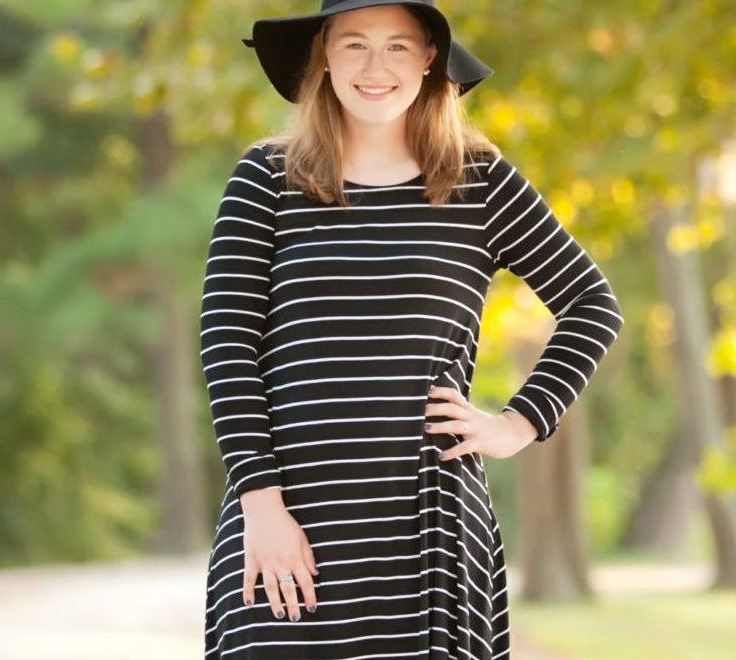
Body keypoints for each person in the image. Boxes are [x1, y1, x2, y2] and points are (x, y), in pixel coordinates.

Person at [199, 1, 624, 657]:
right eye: (354, 44)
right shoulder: (266, 178)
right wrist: (261, 504)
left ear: (430, 58)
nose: (376, 67)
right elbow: (228, 347)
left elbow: (593, 304)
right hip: (285, 526)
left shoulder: (480, 182)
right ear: (323, 54)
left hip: (430, 533)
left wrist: (516, 425)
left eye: (397, 46)